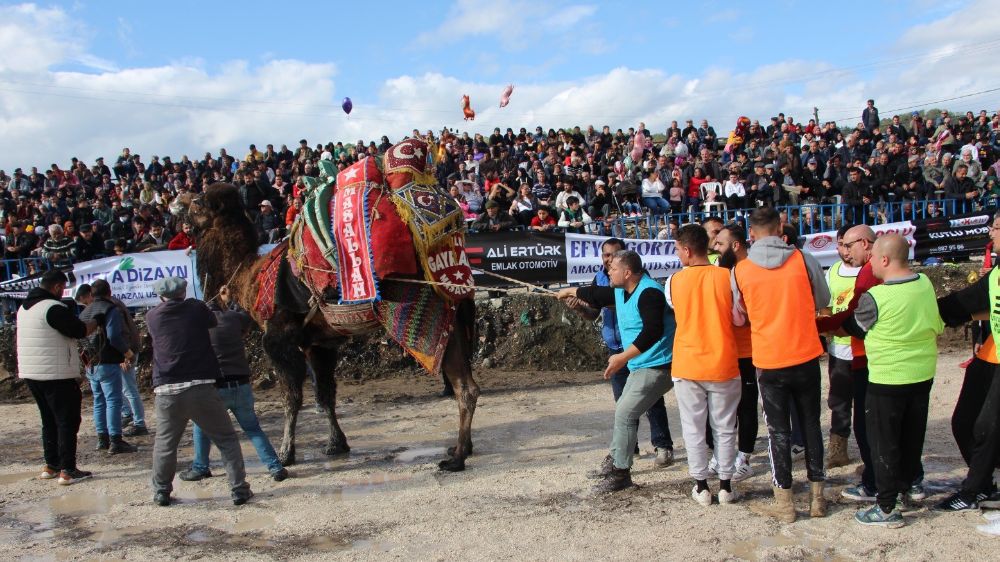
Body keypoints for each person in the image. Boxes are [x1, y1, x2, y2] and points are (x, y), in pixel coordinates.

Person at [733, 207, 829, 522]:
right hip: (804, 355)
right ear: (780, 228)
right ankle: (818, 499)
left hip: (769, 360)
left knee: (778, 432)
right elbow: (822, 299)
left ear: (752, 234)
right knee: (812, 425)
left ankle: (785, 504)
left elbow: (739, 315)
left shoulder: (741, 270)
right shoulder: (803, 259)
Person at [842, 234, 942, 528]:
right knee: (912, 436)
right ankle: (910, 485)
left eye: (873, 256)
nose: (869, 261)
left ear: (884, 260)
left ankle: (886, 507)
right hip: (922, 374)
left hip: (888, 379)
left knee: (883, 442)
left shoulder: (877, 297)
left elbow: (855, 327)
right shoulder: (924, 283)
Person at [557, 250, 676, 492]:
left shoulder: (650, 292)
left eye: (612, 268)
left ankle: (621, 473)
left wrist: (621, 357)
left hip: (659, 366)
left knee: (625, 412)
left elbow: (652, 332)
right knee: (624, 412)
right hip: (642, 366)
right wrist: (571, 292)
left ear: (627, 272)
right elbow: (597, 294)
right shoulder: (623, 291)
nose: (607, 271)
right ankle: (617, 461)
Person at [145, 276, 252, 507]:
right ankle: (239, 489)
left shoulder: (152, 316)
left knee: (165, 445)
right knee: (226, 439)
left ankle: (161, 491)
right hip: (201, 387)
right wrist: (226, 300)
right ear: (184, 292)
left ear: (161, 296)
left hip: (166, 389)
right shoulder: (196, 307)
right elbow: (212, 320)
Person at [180, 286, 289, 482]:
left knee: (201, 426)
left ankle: (200, 466)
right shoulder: (231, 318)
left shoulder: (198, 326)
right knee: (253, 428)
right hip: (241, 383)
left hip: (216, 386)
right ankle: (274, 466)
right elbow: (245, 316)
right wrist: (230, 300)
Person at [666, 225, 741, 506]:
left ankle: (700, 485)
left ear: (686, 250)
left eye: (677, 249)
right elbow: (738, 317)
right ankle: (725, 485)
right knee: (724, 426)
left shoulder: (673, 281)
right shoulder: (726, 276)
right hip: (722, 360)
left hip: (687, 363)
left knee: (693, 427)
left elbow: (676, 309)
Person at [934, 210, 1000, 514]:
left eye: (996, 228)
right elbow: (968, 302)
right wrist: (921, 304)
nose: (991, 233)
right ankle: (983, 481)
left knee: (988, 426)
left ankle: (974, 490)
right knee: (963, 421)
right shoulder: (997, 272)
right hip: (990, 353)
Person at [16, 270, 97, 485]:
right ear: (57, 287)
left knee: (48, 420)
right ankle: (68, 470)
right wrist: (97, 321)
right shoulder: (53, 309)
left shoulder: (24, 308)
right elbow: (79, 330)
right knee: (67, 421)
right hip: (56, 374)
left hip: (32, 372)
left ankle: (51, 465)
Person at [713, 224, 758, 482]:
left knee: (747, 405)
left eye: (720, 244)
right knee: (723, 406)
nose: (715, 248)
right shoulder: (720, 271)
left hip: (749, 350)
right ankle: (723, 455)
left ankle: (745, 457)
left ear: (736, 245)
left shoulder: (751, 270)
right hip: (724, 349)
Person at [79, 279, 138, 455]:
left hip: (91, 363)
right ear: (109, 292)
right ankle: (116, 440)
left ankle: (102, 439)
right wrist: (128, 353)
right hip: (108, 360)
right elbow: (114, 337)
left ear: (91, 294)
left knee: (99, 401)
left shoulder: (84, 312)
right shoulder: (110, 309)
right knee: (113, 401)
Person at [823, 225, 860, 469]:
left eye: (848, 245)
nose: (844, 250)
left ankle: (870, 448)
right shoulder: (833, 271)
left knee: (867, 401)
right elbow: (825, 304)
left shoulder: (870, 271)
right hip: (839, 349)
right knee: (839, 400)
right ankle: (838, 445)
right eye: (840, 244)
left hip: (863, 348)